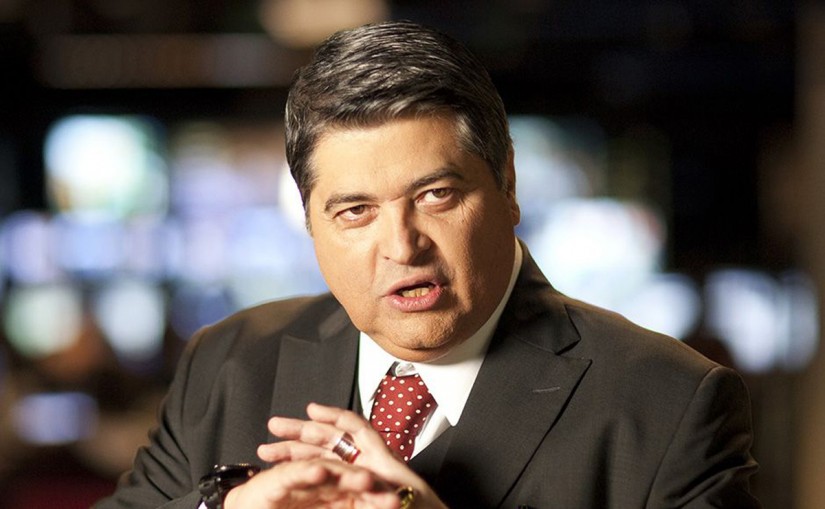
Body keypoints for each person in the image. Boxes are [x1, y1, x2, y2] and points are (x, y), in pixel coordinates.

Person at [95, 20, 760, 509]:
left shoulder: (670, 404)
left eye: (435, 195)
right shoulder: (230, 361)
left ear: (507, 185)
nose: (402, 245)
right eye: (355, 211)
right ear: (310, 223)